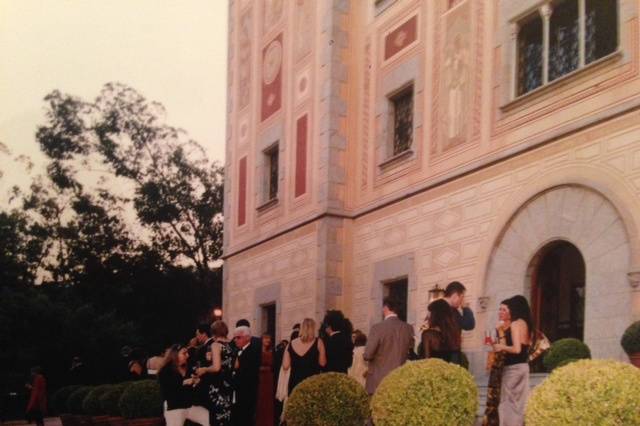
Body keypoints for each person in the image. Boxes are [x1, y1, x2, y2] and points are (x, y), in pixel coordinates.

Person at [486, 296, 533, 426]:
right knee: (519, 404)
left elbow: (516, 349)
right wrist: (500, 331)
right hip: (523, 367)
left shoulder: (515, 324)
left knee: (507, 403)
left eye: (508, 308)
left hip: (512, 368)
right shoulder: (525, 324)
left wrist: (501, 347)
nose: (507, 311)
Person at [363, 297, 414, 395]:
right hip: (400, 378)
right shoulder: (408, 328)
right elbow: (410, 349)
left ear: (385, 307)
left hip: (379, 379)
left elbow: (368, 355)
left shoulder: (377, 328)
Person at [195, 320, 235, 426]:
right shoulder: (231, 344)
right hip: (229, 384)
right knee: (226, 415)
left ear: (213, 332)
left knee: (216, 417)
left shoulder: (216, 345)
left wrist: (205, 369)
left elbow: (216, 368)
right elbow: (236, 365)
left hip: (218, 385)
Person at [158, 344, 209, 426]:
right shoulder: (165, 371)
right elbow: (168, 393)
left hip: (190, 405)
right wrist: (184, 382)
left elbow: (198, 388)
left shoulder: (190, 367)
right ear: (175, 355)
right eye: (184, 353)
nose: (187, 355)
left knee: (210, 419)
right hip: (175, 407)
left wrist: (197, 382)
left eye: (187, 353)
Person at [282, 318, 327, 393]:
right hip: (313, 383)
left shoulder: (291, 343)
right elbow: (322, 363)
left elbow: (285, 366)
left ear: (301, 328)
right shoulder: (319, 342)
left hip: (295, 382)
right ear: (313, 328)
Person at [232, 325, 261, 426]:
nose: (235, 340)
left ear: (248, 337)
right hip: (237, 392)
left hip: (247, 392)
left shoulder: (253, 351)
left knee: (246, 419)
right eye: (234, 338)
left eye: (238, 337)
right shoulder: (236, 351)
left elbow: (247, 373)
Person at [444, 281, 475, 365]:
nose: (462, 300)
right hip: (448, 355)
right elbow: (469, 324)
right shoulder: (448, 310)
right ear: (454, 295)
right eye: (462, 297)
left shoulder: (453, 311)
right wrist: (465, 307)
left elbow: (468, 325)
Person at [256, 334, 274, 426]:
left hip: (269, 378)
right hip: (260, 378)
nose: (268, 340)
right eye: (266, 338)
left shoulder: (271, 351)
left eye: (269, 338)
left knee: (268, 401)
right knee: (260, 400)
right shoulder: (256, 352)